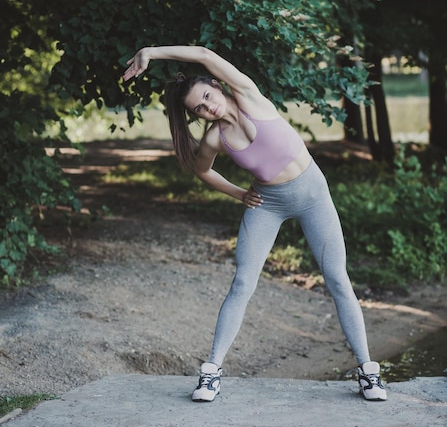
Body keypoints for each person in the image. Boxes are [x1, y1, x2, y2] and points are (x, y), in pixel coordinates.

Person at [123, 45, 387, 402]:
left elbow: (203, 53)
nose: (207, 108)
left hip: (313, 196)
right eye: (198, 109)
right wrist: (238, 194)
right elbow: (203, 171)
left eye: (207, 97)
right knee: (243, 282)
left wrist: (151, 52)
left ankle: (368, 372)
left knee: (338, 278)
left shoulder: (249, 95)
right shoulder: (215, 137)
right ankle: (211, 373)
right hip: (268, 204)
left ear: (217, 86)